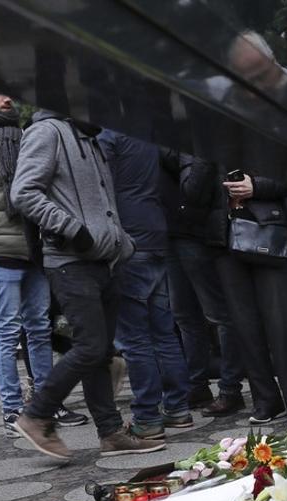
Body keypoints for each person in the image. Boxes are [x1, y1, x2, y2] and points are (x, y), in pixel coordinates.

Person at [9, 110, 163, 459]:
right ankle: (36, 414)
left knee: (101, 353)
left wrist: (122, 244)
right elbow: (24, 192)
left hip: (105, 262)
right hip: (70, 262)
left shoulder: (89, 138)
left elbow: (102, 205)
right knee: (91, 347)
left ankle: (110, 434)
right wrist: (72, 230)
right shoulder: (47, 132)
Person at [0, 89, 87, 433]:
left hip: (33, 247)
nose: (8, 97)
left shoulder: (24, 134)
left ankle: (46, 404)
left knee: (40, 330)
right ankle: (12, 410)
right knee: (8, 335)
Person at [98, 128, 192, 441]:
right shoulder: (143, 132)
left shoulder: (107, 136)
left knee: (135, 338)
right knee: (163, 330)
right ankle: (178, 408)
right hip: (155, 231)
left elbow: (102, 186)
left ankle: (147, 417)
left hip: (128, 237)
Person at [217, 169, 287, 426]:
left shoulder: (268, 132)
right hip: (223, 235)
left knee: (280, 322)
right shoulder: (203, 136)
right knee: (244, 326)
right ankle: (266, 401)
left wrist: (256, 187)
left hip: (267, 230)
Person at [162, 151, 246, 416]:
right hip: (170, 231)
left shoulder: (177, 125)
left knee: (217, 313)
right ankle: (197, 385)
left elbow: (196, 180)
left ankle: (230, 389)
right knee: (184, 315)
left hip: (192, 230)